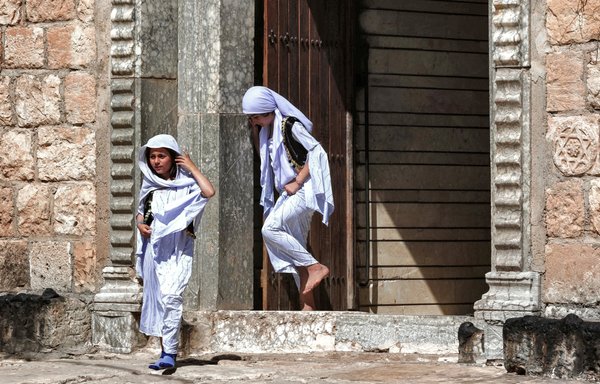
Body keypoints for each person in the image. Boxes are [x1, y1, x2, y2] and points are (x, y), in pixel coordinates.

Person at [242, 86, 334, 311]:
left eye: (256, 117)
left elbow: (317, 152)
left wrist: (298, 181)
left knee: (270, 229)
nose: (254, 121)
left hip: (305, 189)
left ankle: (316, 267)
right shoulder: (267, 131)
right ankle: (308, 307)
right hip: (290, 193)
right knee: (297, 248)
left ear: (267, 111)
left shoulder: (290, 125)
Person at [135, 134, 215, 370]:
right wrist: (140, 224)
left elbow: (208, 192)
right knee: (159, 300)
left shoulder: (188, 184)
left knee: (172, 296)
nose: (156, 161)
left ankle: (169, 351)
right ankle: (166, 352)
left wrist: (191, 166)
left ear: (173, 157)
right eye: (152, 156)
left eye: (162, 156)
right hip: (154, 249)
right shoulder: (149, 183)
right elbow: (141, 211)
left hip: (177, 250)